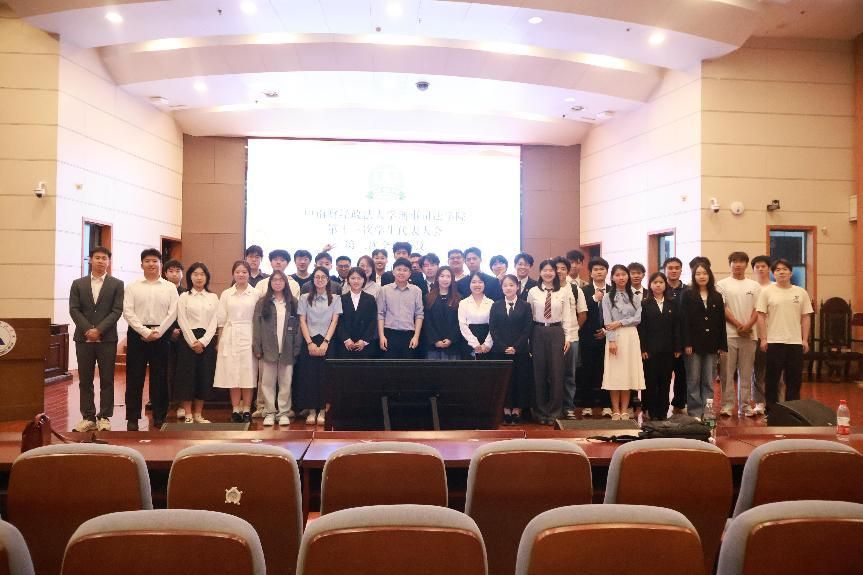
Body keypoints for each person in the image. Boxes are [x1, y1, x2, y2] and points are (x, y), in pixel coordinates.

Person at [122, 248, 179, 431]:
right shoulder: (132, 287)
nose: (151, 264)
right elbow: (127, 312)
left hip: (161, 334)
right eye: (147, 261)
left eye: (155, 261)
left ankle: (160, 416)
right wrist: (144, 331)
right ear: (141, 264)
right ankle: (132, 418)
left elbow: (173, 312)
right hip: (137, 334)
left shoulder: (169, 287)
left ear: (160, 264)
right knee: (134, 377)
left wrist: (159, 332)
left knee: (160, 377)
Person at [69, 246, 124, 432]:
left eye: (104, 258)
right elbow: (74, 309)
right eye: (97, 257)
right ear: (90, 260)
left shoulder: (117, 284)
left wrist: (99, 330)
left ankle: (104, 417)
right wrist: (88, 329)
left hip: (107, 338)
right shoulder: (78, 284)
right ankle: (88, 417)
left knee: (107, 379)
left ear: (109, 261)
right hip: (83, 339)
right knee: (85, 380)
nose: (101, 261)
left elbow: (117, 310)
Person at [756, 258, 813, 414]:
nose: (781, 272)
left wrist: (805, 339)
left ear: (791, 273)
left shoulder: (800, 292)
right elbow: (760, 316)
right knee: (772, 380)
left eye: (785, 269)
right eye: (778, 270)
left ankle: (792, 412)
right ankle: (771, 412)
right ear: (773, 273)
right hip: (774, 342)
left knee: (794, 380)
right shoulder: (767, 292)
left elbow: (806, 317)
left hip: (795, 343)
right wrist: (764, 338)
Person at [527, 259, 574, 425]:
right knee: (538, 372)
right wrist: (528, 339)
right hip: (538, 331)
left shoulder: (563, 291)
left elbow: (567, 316)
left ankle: (554, 412)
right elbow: (528, 316)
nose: (548, 273)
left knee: (556, 372)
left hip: (556, 332)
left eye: (551, 270)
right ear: (540, 272)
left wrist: (568, 338)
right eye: (545, 270)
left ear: (556, 273)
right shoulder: (533, 291)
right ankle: (540, 412)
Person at [213, 260, 261, 422]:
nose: (241, 274)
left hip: (249, 334)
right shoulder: (226, 294)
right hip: (230, 335)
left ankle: (247, 409)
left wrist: (257, 341)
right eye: (238, 272)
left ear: (249, 274)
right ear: (233, 274)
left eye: (244, 272)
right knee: (232, 373)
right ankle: (235, 409)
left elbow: (259, 319)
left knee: (248, 373)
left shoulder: (256, 293)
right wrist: (220, 341)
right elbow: (221, 320)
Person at [253, 270, 301, 427]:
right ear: (270, 283)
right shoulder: (263, 303)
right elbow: (257, 326)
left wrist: (297, 347)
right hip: (268, 348)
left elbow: (299, 327)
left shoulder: (293, 302)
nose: (278, 282)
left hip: (287, 348)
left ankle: (283, 413)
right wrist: (257, 346)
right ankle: (269, 412)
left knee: (286, 382)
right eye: (275, 280)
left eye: (281, 280)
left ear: (286, 283)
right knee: (267, 383)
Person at [716, 251, 761, 417]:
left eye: (741, 261)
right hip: (728, 335)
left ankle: (745, 405)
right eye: (734, 261)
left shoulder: (754, 286)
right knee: (727, 373)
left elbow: (758, 309)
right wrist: (738, 325)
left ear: (746, 265)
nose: (738, 264)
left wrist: (747, 326)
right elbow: (723, 308)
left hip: (749, 335)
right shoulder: (722, 284)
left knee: (747, 372)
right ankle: (727, 405)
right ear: (730, 264)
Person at [679, 262, 727, 419]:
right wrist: (686, 343)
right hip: (693, 345)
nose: (701, 276)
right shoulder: (687, 295)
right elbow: (683, 321)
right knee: (693, 380)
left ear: (709, 275)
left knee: (708, 380)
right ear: (694, 276)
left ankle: (708, 412)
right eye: (698, 273)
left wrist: (722, 344)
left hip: (712, 344)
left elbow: (721, 322)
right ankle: (694, 412)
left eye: (704, 273)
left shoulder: (717, 296)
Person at [297, 266, 342, 425]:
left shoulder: (335, 298)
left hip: (327, 341)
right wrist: (309, 343)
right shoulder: (304, 298)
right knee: (309, 376)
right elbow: (302, 320)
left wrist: (326, 342)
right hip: (309, 340)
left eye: (323, 277)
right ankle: (311, 410)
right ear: (313, 280)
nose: (320, 280)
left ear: (328, 280)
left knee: (325, 377)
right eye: (317, 277)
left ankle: (322, 410)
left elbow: (334, 321)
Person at [175, 262, 218, 424]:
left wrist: (204, 342)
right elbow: (182, 319)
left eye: (202, 274)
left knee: (204, 376)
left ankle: (198, 414)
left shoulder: (213, 297)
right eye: (195, 274)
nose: (199, 277)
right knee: (187, 377)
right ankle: (188, 414)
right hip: (188, 340)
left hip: (207, 340)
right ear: (190, 277)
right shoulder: (184, 297)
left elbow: (215, 321)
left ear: (207, 277)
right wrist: (193, 341)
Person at [601, 265, 645, 420]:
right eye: (617, 275)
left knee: (627, 373)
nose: (621, 277)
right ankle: (615, 409)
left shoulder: (635, 296)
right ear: (612, 278)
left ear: (628, 276)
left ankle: (625, 409)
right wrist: (611, 340)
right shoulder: (607, 297)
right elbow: (607, 321)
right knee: (615, 374)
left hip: (631, 336)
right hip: (614, 336)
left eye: (623, 274)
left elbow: (638, 318)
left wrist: (620, 322)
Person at [489, 274, 533, 424]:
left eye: (511, 285)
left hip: (520, 351)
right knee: (504, 381)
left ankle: (517, 410)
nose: (508, 288)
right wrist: (503, 347)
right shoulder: (495, 305)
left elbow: (527, 329)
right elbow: (493, 329)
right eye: (505, 285)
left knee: (520, 380)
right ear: (501, 288)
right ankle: (506, 409)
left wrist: (516, 347)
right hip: (500, 351)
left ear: (517, 287)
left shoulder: (525, 306)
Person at [638, 272, 680, 420]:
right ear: (650, 285)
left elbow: (676, 327)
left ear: (665, 285)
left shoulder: (672, 303)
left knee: (665, 381)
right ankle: (650, 410)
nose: (658, 285)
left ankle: (663, 412)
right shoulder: (644, 304)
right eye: (655, 282)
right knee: (650, 381)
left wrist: (677, 347)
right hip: (650, 350)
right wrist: (643, 348)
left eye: (661, 282)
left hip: (668, 350)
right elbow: (642, 328)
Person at [577, 257, 612, 418]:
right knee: (587, 371)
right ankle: (587, 405)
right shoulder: (584, 291)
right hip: (587, 337)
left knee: (607, 371)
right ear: (590, 273)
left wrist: (606, 330)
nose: (599, 272)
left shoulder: (613, 290)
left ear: (606, 271)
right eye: (595, 269)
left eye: (602, 269)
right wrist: (594, 299)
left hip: (608, 336)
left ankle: (607, 405)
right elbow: (581, 313)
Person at [555, 257, 587, 419]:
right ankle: (553, 407)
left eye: (563, 268)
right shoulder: (547, 289)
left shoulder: (575, 289)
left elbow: (582, 315)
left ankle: (568, 407)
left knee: (569, 375)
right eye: (557, 268)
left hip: (572, 339)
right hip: (552, 338)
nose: (559, 271)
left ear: (568, 271)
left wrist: (573, 330)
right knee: (552, 374)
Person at [377, 258, 424, 358]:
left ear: (410, 273)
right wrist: (381, 336)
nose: (401, 272)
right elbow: (380, 314)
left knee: (407, 366)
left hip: (409, 335)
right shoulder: (384, 290)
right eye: (399, 269)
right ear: (393, 271)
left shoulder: (416, 291)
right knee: (389, 366)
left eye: (405, 270)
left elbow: (419, 315)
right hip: (389, 334)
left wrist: (416, 337)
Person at [663, 256, 688, 414]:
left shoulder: (688, 290)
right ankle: (661, 405)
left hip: (683, 339)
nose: (673, 271)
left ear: (681, 270)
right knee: (663, 375)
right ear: (665, 270)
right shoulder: (659, 288)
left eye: (676, 268)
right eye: (670, 268)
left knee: (682, 374)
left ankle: (679, 404)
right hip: (664, 339)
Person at [336, 267, 378, 358]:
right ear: (348, 280)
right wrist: (346, 339)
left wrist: (364, 340)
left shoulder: (370, 299)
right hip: (345, 345)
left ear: (364, 280)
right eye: (353, 278)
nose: (356, 281)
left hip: (365, 346)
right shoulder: (341, 299)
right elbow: (338, 322)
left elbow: (373, 321)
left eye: (359, 278)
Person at [162, 259, 185, 419]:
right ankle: (166, 402)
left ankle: (181, 403)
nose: (174, 274)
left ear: (182, 274)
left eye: (177, 271)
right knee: (165, 370)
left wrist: (180, 330)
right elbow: (159, 314)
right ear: (165, 273)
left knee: (181, 370)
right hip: (164, 335)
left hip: (184, 336)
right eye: (171, 271)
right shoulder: (161, 291)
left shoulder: (186, 292)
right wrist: (170, 330)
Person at [750, 254, 773, 414]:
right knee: (757, 371)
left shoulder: (774, 287)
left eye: (763, 266)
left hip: (773, 335)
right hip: (754, 335)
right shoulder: (751, 287)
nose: (760, 269)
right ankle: (759, 402)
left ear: (769, 268)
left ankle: (776, 402)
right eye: (757, 266)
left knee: (774, 371)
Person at [423, 266, 462, 360]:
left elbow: (460, 322)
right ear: (437, 278)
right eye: (442, 276)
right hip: (433, 345)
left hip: (453, 345)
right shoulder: (428, 297)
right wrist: (435, 340)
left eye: (448, 276)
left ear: (452, 279)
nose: (445, 279)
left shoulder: (459, 298)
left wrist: (451, 339)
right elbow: (427, 322)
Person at [458, 272, 494, 359]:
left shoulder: (491, 303)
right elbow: (462, 325)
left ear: (484, 284)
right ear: (469, 284)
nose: (477, 285)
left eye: (480, 282)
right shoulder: (463, 303)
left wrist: (488, 343)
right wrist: (474, 343)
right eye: (473, 282)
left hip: (487, 342)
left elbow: (494, 325)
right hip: (468, 342)